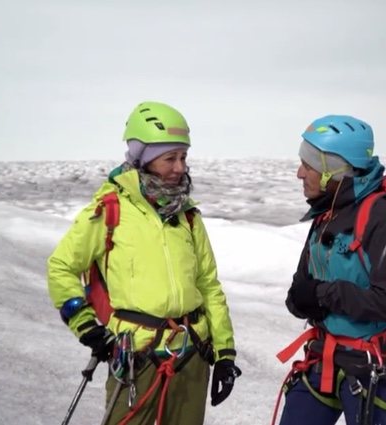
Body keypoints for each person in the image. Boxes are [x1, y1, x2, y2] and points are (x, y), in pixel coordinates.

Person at [47, 101, 241, 425]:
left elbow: (208, 285)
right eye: (170, 158)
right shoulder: (110, 209)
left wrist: (224, 353)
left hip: (192, 353)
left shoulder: (188, 216)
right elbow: (61, 266)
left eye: (183, 157)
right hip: (136, 355)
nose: (180, 167)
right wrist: (86, 326)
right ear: (143, 159)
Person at [278, 115, 386, 425]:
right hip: (322, 356)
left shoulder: (383, 217)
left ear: (334, 170)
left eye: (308, 165)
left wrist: (324, 295)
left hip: (367, 367)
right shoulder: (325, 214)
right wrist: (303, 300)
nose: (300, 173)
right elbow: (299, 293)